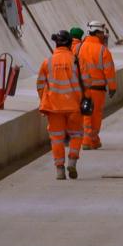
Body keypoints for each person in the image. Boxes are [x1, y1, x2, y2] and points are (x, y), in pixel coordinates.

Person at [35, 30, 85, 179]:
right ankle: (72, 162)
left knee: (57, 138)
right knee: (76, 135)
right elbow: (86, 82)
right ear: (70, 44)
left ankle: (59, 170)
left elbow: (39, 85)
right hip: (74, 106)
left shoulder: (47, 62)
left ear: (56, 44)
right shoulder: (76, 61)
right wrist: (85, 98)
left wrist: (44, 100)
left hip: (54, 108)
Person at [71, 23, 117, 149]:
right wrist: (112, 87)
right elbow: (109, 71)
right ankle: (88, 140)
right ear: (97, 32)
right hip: (97, 89)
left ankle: (93, 140)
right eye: (102, 33)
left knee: (85, 113)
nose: (104, 36)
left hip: (81, 88)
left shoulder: (78, 48)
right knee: (95, 115)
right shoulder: (103, 50)